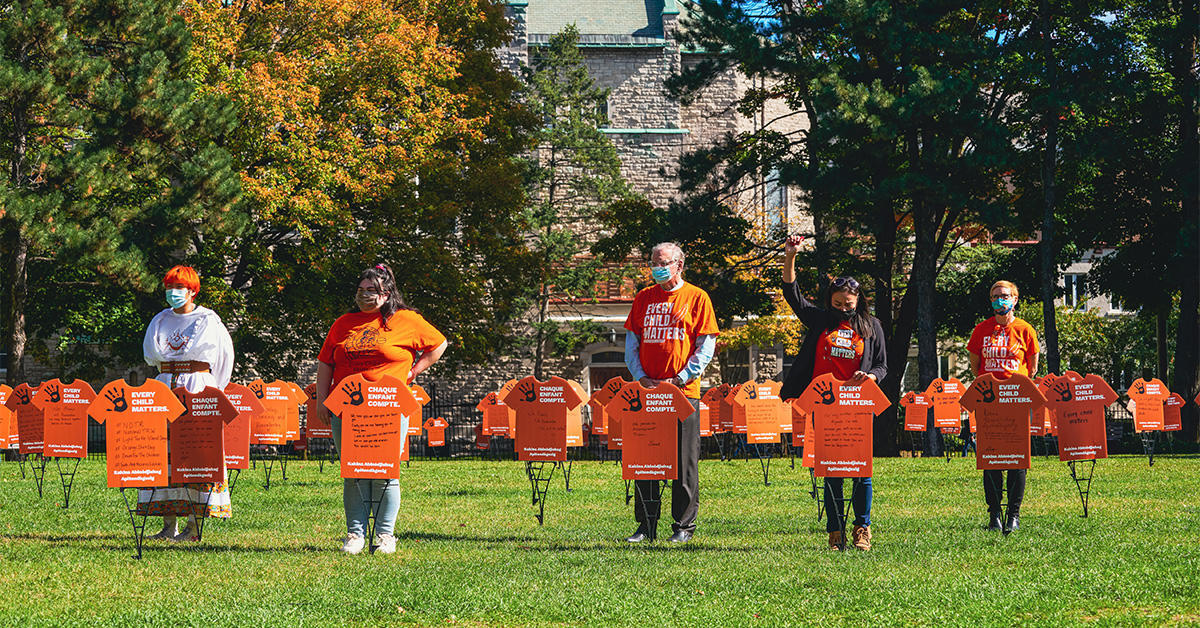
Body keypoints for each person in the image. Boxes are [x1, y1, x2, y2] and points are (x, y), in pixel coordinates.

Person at [316, 263, 447, 555]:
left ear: (387, 293)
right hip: (346, 407)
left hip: (388, 408)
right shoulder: (342, 323)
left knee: (386, 472)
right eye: (361, 290)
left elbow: (439, 344)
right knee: (354, 471)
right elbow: (326, 362)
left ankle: (385, 535)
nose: (364, 296)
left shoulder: (406, 320)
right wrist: (321, 399)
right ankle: (355, 534)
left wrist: (413, 372)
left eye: (372, 291)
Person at [780, 235, 887, 550]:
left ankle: (862, 528)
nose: (842, 309)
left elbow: (882, 366)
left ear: (859, 302)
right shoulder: (820, 321)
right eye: (837, 304)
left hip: (857, 404)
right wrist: (791, 256)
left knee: (861, 470)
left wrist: (869, 375)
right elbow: (793, 294)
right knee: (831, 471)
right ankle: (835, 530)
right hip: (824, 405)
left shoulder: (871, 326)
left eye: (848, 305)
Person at [623, 242, 719, 544]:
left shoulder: (698, 298)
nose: (656, 268)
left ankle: (683, 526)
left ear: (679, 264)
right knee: (645, 459)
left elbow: (706, 346)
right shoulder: (643, 298)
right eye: (653, 262)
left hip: (682, 392)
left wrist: (682, 377)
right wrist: (641, 378)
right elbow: (631, 344)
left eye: (662, 262)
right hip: (647, 392)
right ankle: (646, 524)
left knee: (684, 462)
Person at [141, 265, 236, 542]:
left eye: (179, 288)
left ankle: (194, 525)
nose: (174, 293)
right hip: (165, 385)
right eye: (170, 288)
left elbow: (223, 360)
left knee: (196, 452)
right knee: (163, 452)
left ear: (192, 290)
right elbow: (152, 356)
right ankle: (168, 523)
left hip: (197, 384)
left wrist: (210, 391)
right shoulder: (159, 320)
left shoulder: (208, 320)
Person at [967, 280, 1039, 533]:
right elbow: (976, 367)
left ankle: (1014, 514)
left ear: (1015, 299)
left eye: (1005, 296)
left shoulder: (1025, 330)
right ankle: (994, 514)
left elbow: (1032, 368)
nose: (1000, 300)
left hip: (1016, 401)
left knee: (1017, 459)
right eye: (995, 296)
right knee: (991, 459)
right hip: (989, 400)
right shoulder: (981, 331)